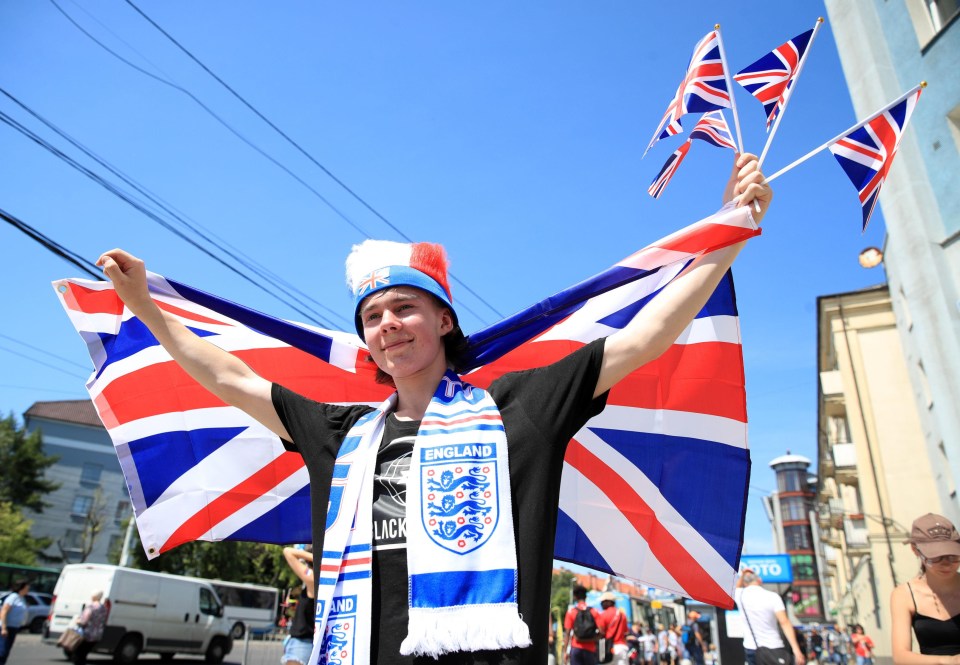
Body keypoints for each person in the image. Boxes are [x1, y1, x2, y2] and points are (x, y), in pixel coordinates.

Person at [97, 154, 771, 665]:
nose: (387, 323)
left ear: (443, 319)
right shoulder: (344, 434)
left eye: (403, 307)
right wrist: (146, 307)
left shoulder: (521, 408)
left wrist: (731, 231)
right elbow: (228, 374)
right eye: (372, 316)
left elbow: (643, 339)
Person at [890, 512, 960, 664]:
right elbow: (901, 656)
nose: (946, 563)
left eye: (953, 556)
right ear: (915, 550)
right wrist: (949, 661)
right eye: (936, 557)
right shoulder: (903, 595)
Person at [735, 569, 805, 665]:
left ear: (745, 583)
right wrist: (796, 649)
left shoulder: (740, 596)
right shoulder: (773, 596)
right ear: (759, 580)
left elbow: (736, 587)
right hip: (774, 646)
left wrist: (742, 575)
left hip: (752, 647)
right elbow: (784, 622)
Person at [282, 546, 316, 665]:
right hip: (301, 642)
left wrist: (316, 557)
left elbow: (288, 551)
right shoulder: (316, 579)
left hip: (302, 644)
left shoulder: (313, 577)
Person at [565, 584, 605, 665]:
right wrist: (591, 639)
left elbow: (567, 634)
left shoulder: (571, 612)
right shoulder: (594, 611)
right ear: (586, 597)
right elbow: (602, 632)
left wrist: (565, 652)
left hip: (575, 649)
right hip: (590, 650)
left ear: (575, 597)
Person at [73, 591, 109, 665]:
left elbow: (84, 621)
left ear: (93, 596)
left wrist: (77, 621)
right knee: (84, 653)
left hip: (86, 633)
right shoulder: (103, 608)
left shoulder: (91, 607)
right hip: (96, 634)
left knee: (78, 654)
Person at [0, 579, 29, 665]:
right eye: (27, 588)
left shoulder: (21, 598)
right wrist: (3, 628)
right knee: (2, 651)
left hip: (14, 627)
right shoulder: (13, 597)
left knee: (6, 651)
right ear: (22, 588)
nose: (28, 590)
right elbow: (4, 612)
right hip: (6, 628)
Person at [599, 592, 629, 664]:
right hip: (622, 648)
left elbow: (601, 632)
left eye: (602, 602)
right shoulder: (622, 615)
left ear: (608, 602)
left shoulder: (603, 614)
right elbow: (626, 632)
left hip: (609, 648)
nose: (601, 604)